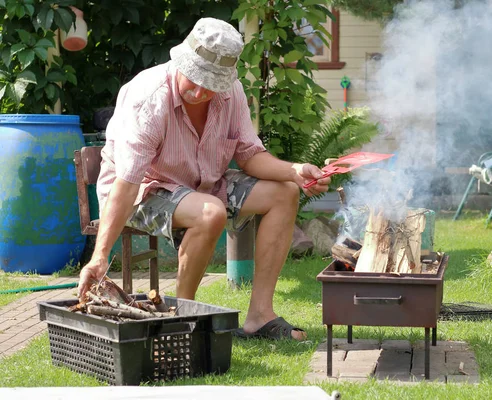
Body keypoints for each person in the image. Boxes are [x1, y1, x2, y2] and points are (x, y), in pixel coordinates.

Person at [77, 17, 331, 341]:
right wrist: (100, 257)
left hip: (204, 185)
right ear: (181, 61)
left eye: (210, 86)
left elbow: (250, 155)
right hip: (144, 188)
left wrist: (294, 172)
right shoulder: (149, 97)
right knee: (210, 212)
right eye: (193, 80)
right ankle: (180, 323)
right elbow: (126, 185)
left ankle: (259, 317)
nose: (199, 92)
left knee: (284, 193)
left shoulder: (232, 92)